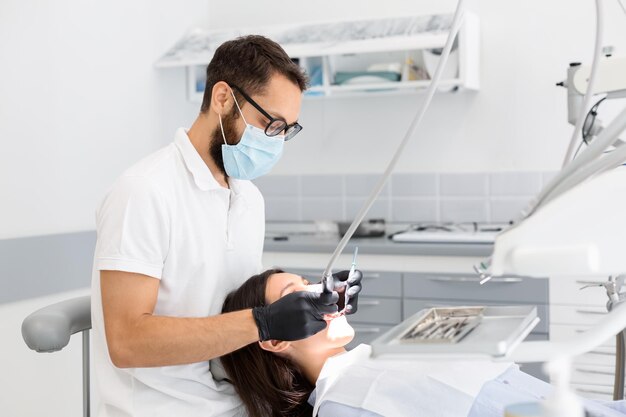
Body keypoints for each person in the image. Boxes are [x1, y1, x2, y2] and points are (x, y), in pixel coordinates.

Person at [90, 35, 361, 417]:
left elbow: (238, 307)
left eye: (288, 130)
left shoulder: (249, 198)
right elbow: (127, 342)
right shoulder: (145, 192)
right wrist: (262, 322)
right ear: (222, 98)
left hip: (237, 404)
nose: (278, 142)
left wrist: (318, 302)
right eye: (272, 124)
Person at [220, 269, 626, 417]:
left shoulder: (382, 356)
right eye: (297, 292)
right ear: (273, 338)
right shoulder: (342, 404)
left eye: (311, 282)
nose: (319, 291)